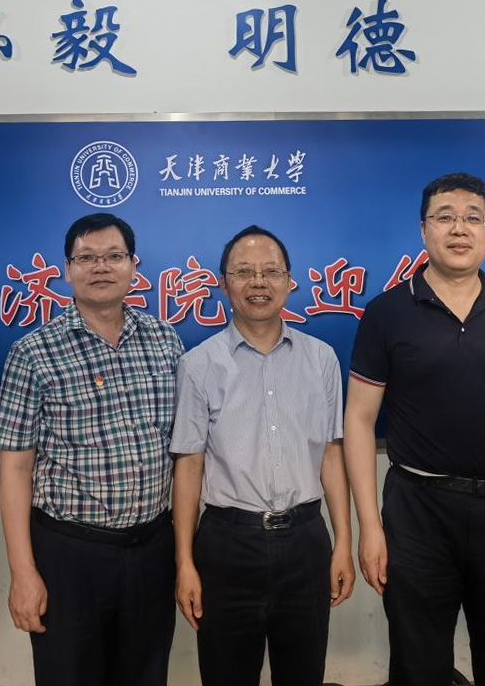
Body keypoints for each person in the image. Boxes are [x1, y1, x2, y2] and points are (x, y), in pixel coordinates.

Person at [343, 172, 485, 686]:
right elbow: (358, 419)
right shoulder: (386, 313)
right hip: (417, 513)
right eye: (444, 217)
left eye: (473, 218)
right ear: (423, 230)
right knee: (418, 666)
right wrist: (369, 527)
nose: (459, 228)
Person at [0, 212, 184, 686]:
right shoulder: (33, 352)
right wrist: (23, 571)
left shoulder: (165, 341)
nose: (101, 267)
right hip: (68, 555)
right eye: (87, 258)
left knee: (146, 675)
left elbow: (185, 452)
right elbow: (14, 468)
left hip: (152, 548)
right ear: (67, 269)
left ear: (134, 265)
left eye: (113, 256)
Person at [171, 225, 355, 686]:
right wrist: (185, 563)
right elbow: (189, 465)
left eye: (271, 272)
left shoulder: (321, 359)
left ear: (289, 281)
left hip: (306, 540)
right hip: (227, 545)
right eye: (244, 272)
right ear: (223, 283)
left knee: (303, 674)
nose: (258, 283)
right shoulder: (198, 364)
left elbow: (332, 455)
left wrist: (343, 543)